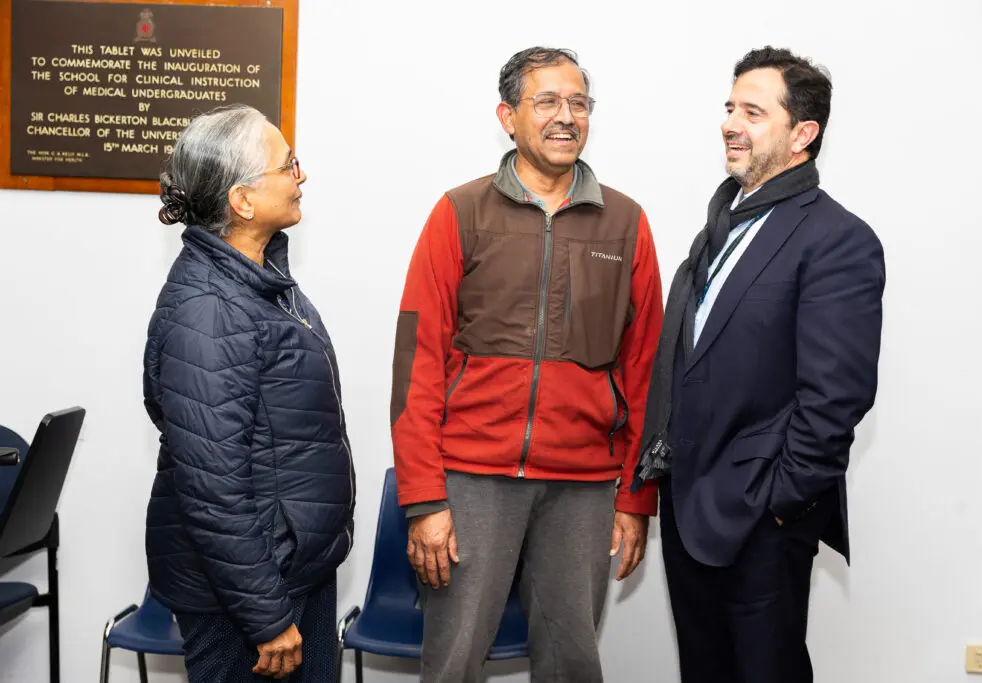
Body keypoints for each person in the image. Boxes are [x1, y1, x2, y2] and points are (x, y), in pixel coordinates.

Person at [389, 47, 664, 683]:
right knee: (454, 660)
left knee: (572, 663)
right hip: (472, 479)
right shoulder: (460, 213)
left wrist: (636, 496)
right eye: (547, 102)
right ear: (508, 116)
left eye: (579, 103)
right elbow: (418, 366)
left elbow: (644, 369)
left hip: (584, 487)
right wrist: (425, 497)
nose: (566, 117)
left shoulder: (626, 224)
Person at [633, 46, 886, 683]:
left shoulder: (837, 240)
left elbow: (836, 398)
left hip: (760, 518)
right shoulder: (721, 225)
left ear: (803, 134)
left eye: (752, 111)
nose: (730, 123)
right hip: (690, 504)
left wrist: (777, 503)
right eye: (728, 107)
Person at [142, 104, 355, 682]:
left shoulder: (259, 281)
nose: (300, 175)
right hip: (247, 596)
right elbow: (213, 485)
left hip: (287, 571)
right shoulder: (211, 310)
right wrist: (263, 616)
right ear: (242, 200)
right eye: (288, 165)